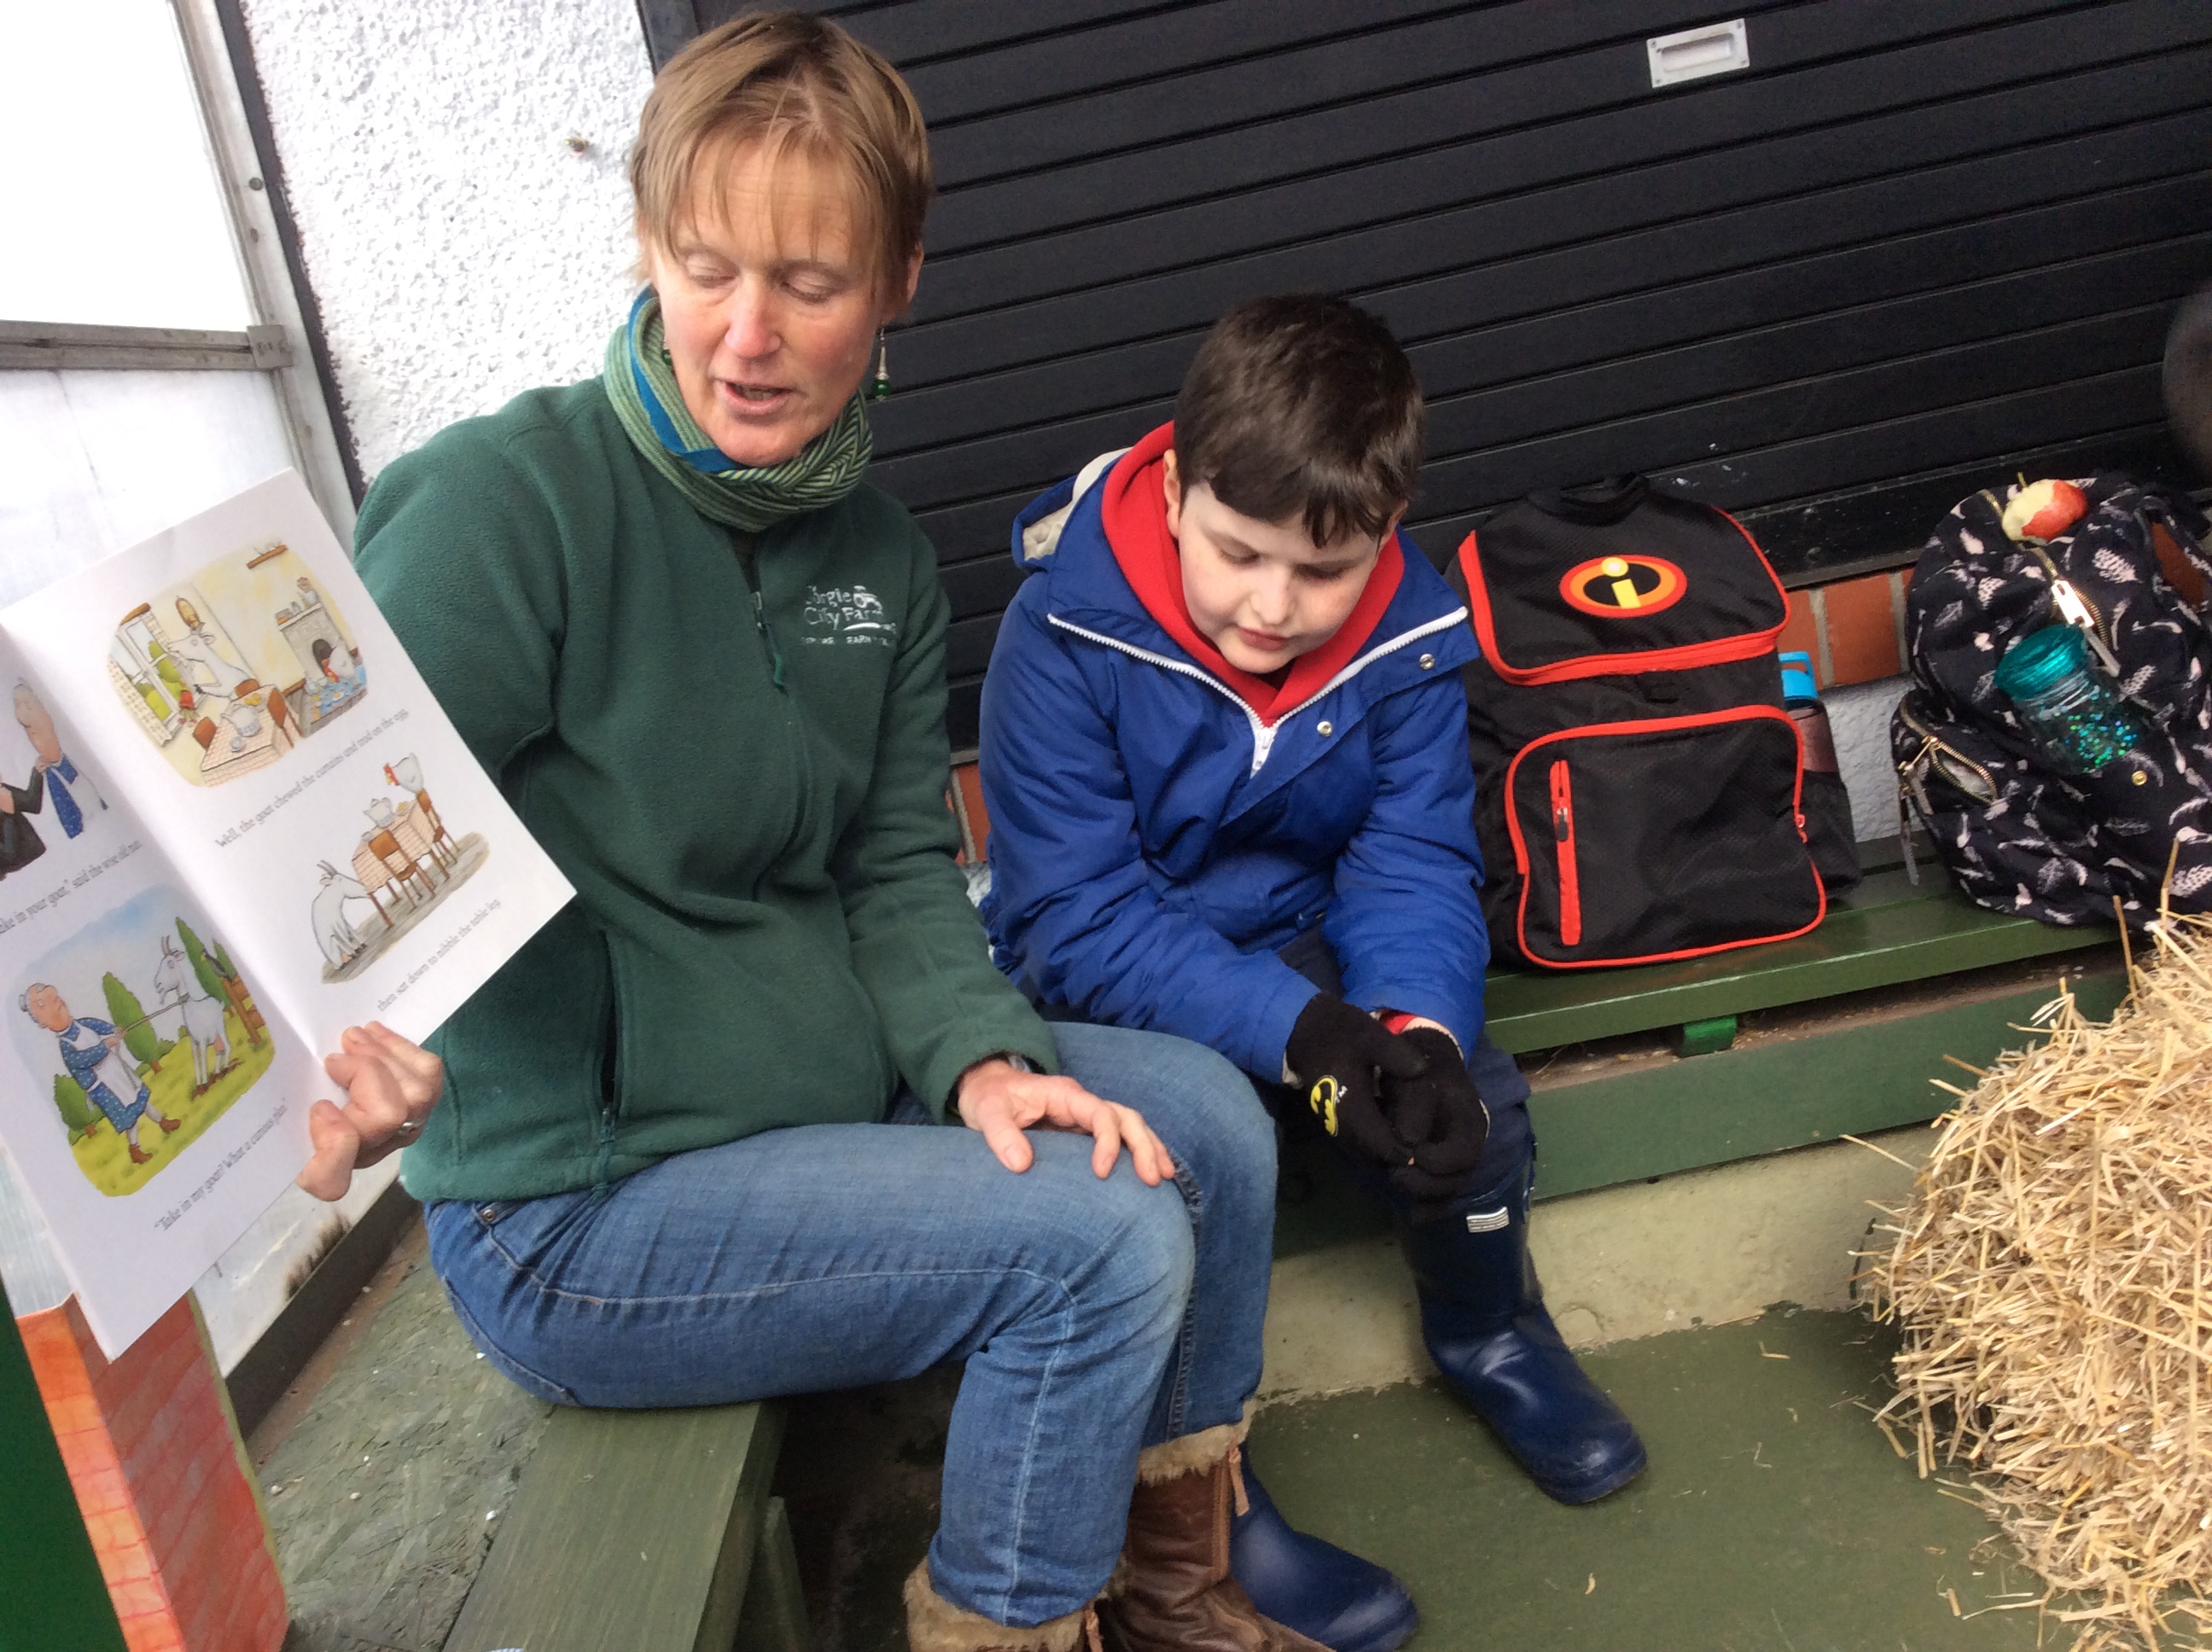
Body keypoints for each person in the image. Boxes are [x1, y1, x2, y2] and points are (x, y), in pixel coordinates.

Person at [297, 15, 1380, 1651]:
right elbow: (324, 848)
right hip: (588, 1197)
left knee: (1212, 1135)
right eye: (705, 268)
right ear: (646, 248)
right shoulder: (499, 510)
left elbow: (890, 865)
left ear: (896, 285)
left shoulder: (873, 550)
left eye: (807, 284)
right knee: (1094, 1242)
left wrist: (976, 1060)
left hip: (823, 1075)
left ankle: (1171, 1588)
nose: (745, 337)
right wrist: (337, 1062)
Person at [978, 297, 1650, 1548]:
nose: (1274, 606)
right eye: (1238, 553)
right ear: (1174, 490)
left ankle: (1493, 1334)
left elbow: (1412, 860)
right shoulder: (1059, 630)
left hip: (1305, 938)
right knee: (1180, 1162)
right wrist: (1305, 1035)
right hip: (1110, 975)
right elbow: (1076, 914)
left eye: (1323, 570)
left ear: (1387, 530)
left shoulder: (1412, 632)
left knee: (1468, 1106)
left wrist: (1412, 1028)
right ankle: (1203, 1484)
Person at [22, 983, 180, 1165]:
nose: (59, 1003)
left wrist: (112, 1029)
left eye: (58, 1001)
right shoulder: (66, 1046)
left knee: (140, 1098)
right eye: (44, 1004)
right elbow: (81, 1060)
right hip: (104, 1087)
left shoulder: (82, 1024)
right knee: (129, 1115)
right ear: (43, 1023)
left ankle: (162, 1122)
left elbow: (96, 1025)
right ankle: (135, 1149)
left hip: (116, 1069)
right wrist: (104, 1045)